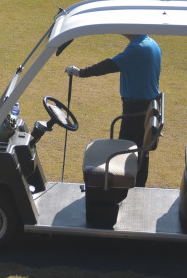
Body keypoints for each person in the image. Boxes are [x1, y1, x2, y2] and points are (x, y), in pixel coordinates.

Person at [65, 34, 162, 187]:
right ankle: (135, 184)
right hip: (143, 106)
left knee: (127, 149)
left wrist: (81, 72)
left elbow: (110, 65)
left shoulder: (138, 48)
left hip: (137, 110)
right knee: (138, 150)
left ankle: (127, 185)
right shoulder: (151, 43)